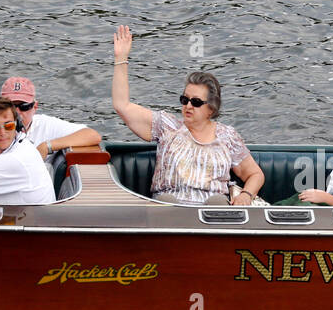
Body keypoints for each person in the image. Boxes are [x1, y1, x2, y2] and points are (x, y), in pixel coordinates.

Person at [109, 25, 264, 205]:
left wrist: (246, 195)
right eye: (185, 100)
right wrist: (121, 58)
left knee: (217, 203)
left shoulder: (228, 136)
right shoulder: (167, 126)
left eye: (196, 102)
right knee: (165, 202)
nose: (188, 106)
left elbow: (255, 174)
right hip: (171, 207)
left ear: (211, 109)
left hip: (211, 211)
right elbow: (122, 106)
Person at [0, 77, 101, 167]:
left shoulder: (46, 125)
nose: (17, 112)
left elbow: (92, 135)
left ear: (35, 107)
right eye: (11, 106)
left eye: (24, 106)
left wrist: (47, 146)